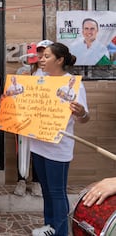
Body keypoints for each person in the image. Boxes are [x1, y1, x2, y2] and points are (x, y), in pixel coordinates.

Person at [30, 42, 90, 236]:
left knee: (57, 193)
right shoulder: (38, 78)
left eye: (47, 56)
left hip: (58, 148)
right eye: (41, 56)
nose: (41, 59)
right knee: (47, 192)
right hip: (38, 145)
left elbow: (84, 119)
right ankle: (50, 227)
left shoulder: (72, 83)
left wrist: (81, 112)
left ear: (60, 60)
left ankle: (61, 232)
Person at [13, 40, 53, 197]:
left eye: (45, 52)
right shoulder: (24, 70)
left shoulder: (54, 74)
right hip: (23, 118)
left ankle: (37, 182)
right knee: (22, 150)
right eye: (40, 51)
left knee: (38, 151)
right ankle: (21, 180)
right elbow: (14, 92)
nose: (41, 55)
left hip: (42, 120)